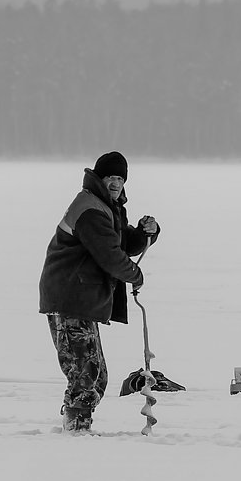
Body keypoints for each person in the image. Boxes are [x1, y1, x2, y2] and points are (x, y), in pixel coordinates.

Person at [39, 151, 160, 432]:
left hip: (81, 298)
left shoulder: (107, 206)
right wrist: (136, 275)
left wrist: (145, 233)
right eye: (110, 177)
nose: (116, 183)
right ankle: (76, 429)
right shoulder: (90, 208)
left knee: (97, 375)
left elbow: (123, 243)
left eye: (120, 178)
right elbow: (110, 256)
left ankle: (76, 425)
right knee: (85, 373)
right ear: (99, 179)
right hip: (69, 297)